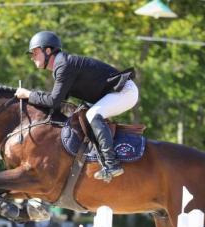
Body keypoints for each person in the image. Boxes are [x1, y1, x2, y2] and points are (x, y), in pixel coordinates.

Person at [15, 31, 139, 181]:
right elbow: (58, 101)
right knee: (85, 115)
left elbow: (54, 101)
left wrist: (29, 94)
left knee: (92, 114)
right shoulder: (62, 66)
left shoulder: (63, 65)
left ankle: (112, 164)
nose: (32, 57)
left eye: (34, 52)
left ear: (48, 51)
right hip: (113, 93)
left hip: (125, 91)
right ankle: (98, 159)